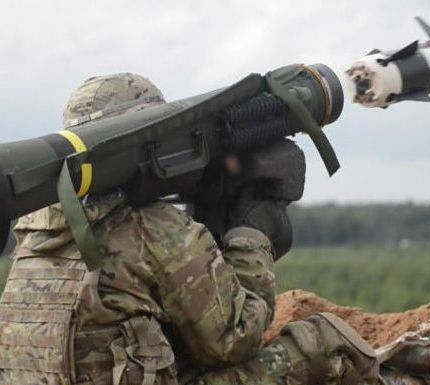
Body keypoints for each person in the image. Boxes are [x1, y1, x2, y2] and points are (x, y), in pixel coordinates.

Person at [0, 73, 381, 385]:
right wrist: (252, 235)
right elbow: (234, 341)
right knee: (327, 343)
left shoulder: (34, 230)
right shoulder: (152, 229)